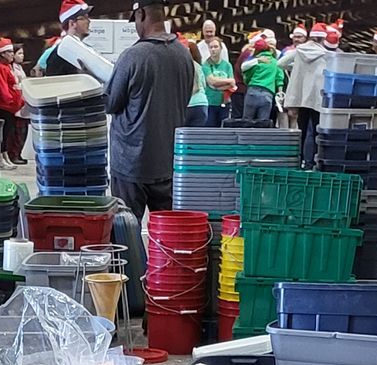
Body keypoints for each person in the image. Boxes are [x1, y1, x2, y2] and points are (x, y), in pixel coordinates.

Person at [105, 2, 196, 218]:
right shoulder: (184, 55)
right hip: (168, 163)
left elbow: (111, 103)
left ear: (141, 14)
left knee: (125, 232)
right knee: (165, 234)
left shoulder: (133, 56)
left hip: (131, 163)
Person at [281, 22, 329, 163]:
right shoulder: (325, 54)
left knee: (301, 129)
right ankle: (312, 161)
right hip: (316, 98)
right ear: (322, 39)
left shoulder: (299, 51)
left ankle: (299, 160)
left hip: (300, 97)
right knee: (315, 131)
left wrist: (296, 67)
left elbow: (281, 63)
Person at [38, 2, 114, 83]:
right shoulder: (60, 54)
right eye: (84, 18)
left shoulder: (85, 49)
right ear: (72, 23)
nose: (89, 21)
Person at [186, 22, 235, 127]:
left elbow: (232, 83)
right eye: (211, 47)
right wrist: (222, 83)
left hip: (224, 102)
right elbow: (210, 82)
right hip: (209, 101)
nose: (213, 49)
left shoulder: (227, 65)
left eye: (216, 47)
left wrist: (217, 85)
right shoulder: (205, 65)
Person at [0, 37, 28, 162]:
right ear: (3, 53)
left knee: (7, 133)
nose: (12, 54)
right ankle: (1, 158)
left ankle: (5, 157)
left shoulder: (6, 67)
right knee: (4, 134)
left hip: (10, 107)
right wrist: (11, 100)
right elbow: (3, 88)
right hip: (3, 107)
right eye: (10, 52)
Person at [240, 32, 282, 126]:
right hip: (268, 94)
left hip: (252, 92)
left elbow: (247, 74)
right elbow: (279, 78)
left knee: (246, 123)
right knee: (262, 124)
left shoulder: (255, 61)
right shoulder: (276, 62)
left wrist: (247, 82)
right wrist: (279, 91)